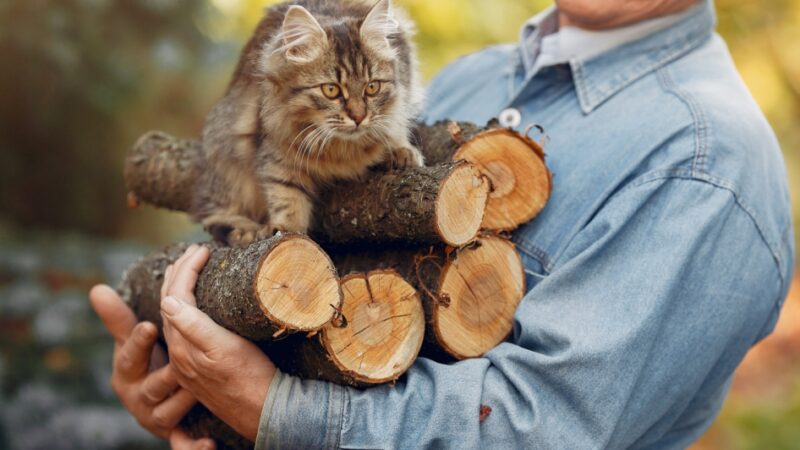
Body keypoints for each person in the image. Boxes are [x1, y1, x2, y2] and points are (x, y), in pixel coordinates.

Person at [89, 0, 795, 448]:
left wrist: (269, 409)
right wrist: (185, 387)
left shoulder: (704, 162)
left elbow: (544, 430)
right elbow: (313, 283)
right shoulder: (463, 80)